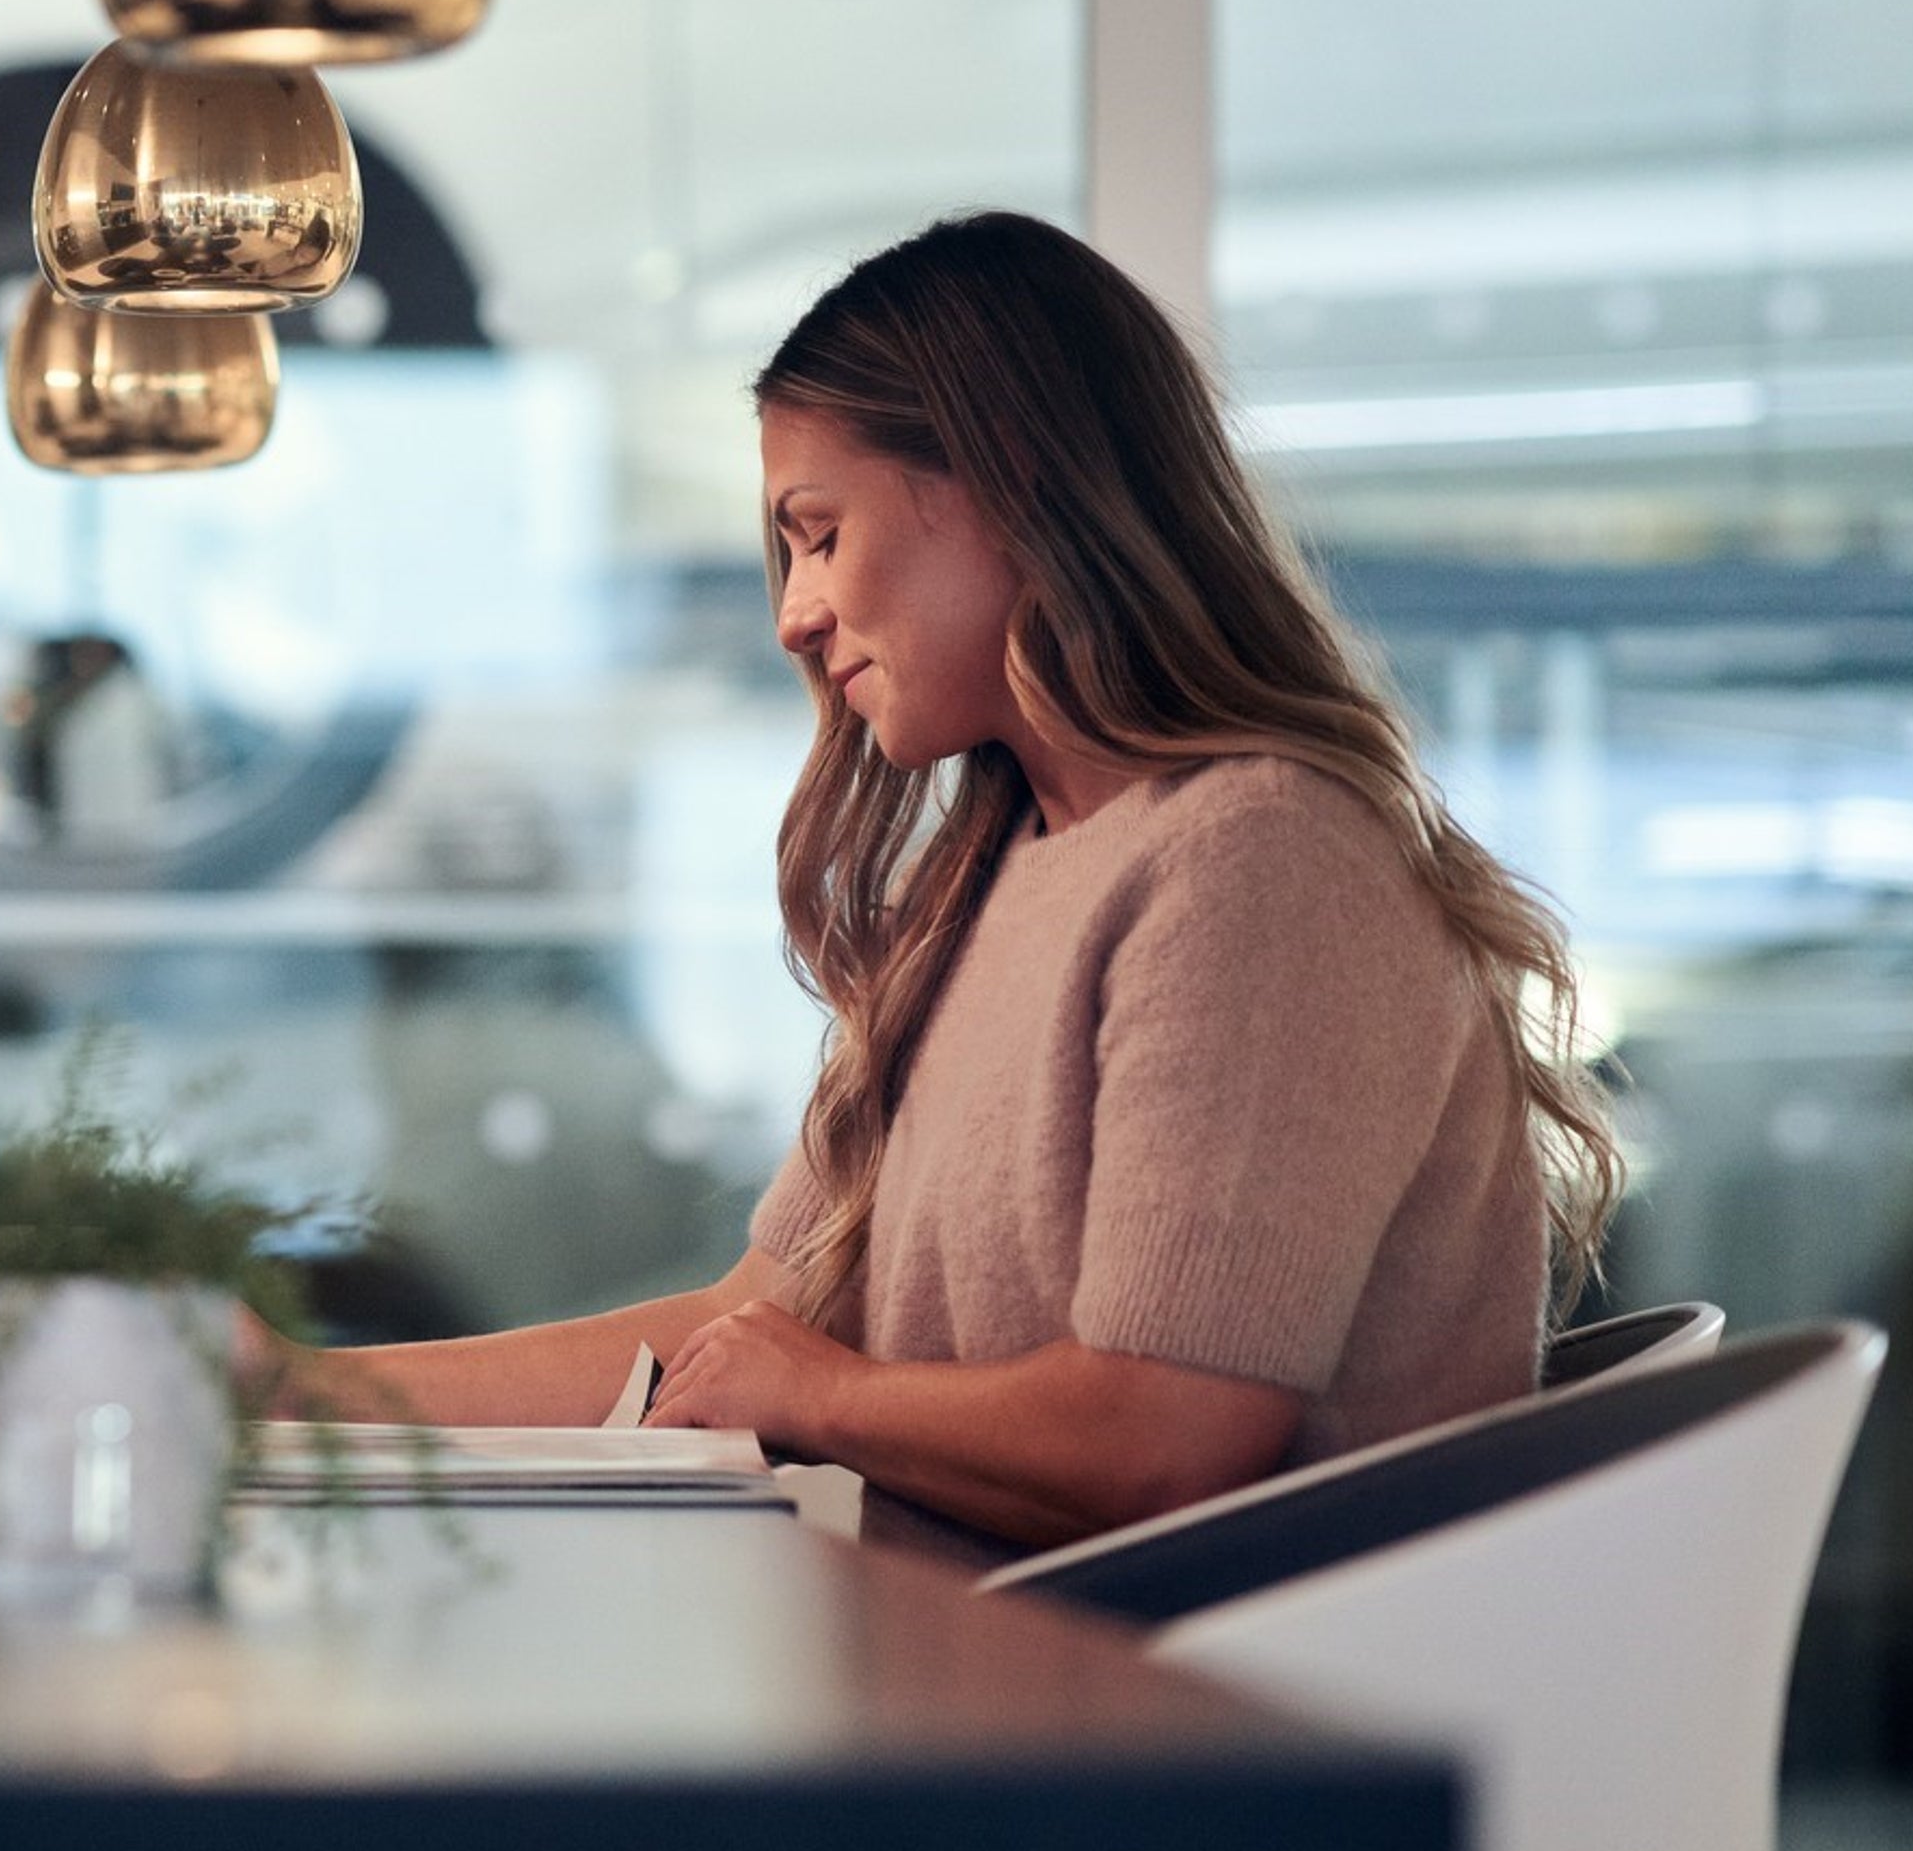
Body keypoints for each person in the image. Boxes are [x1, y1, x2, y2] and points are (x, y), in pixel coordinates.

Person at [251, 211, 1620, 1548]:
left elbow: (1163, 1444)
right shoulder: (994, 870)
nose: (792, 612)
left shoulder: (1259, 861)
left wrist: (828, 1396)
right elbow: (748, 1329)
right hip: (1008, 1671)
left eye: (819, 532)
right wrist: (296, 1390)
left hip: (1201, 1721)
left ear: (1009, 475)